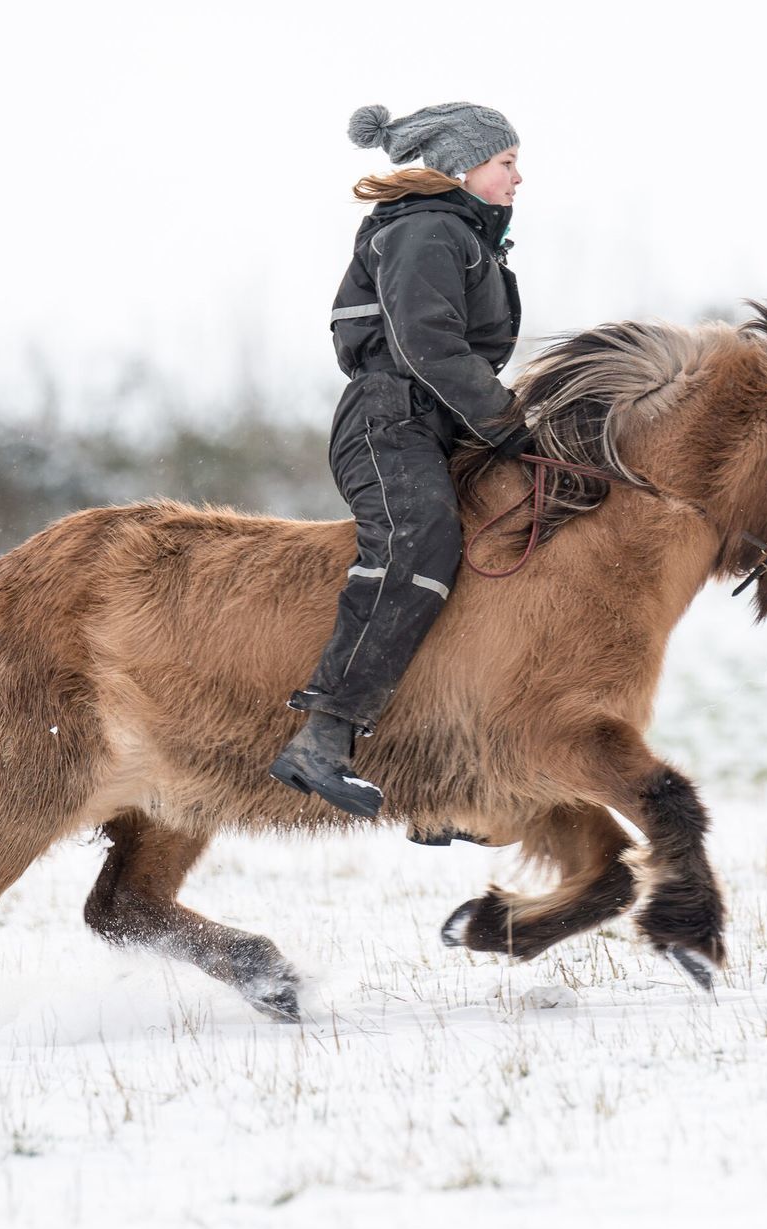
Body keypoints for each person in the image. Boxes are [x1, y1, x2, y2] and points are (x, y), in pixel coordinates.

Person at [268, 101, 528, 820]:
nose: (517, 177)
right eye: (505, 162)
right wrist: (508, 421)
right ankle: (323, 737)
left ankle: (451, 774)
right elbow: (427, 345)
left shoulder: (462, 234)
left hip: (434, 421)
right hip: (390, 422)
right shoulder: (428, 229)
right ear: (459, 167)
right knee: (419, 541)